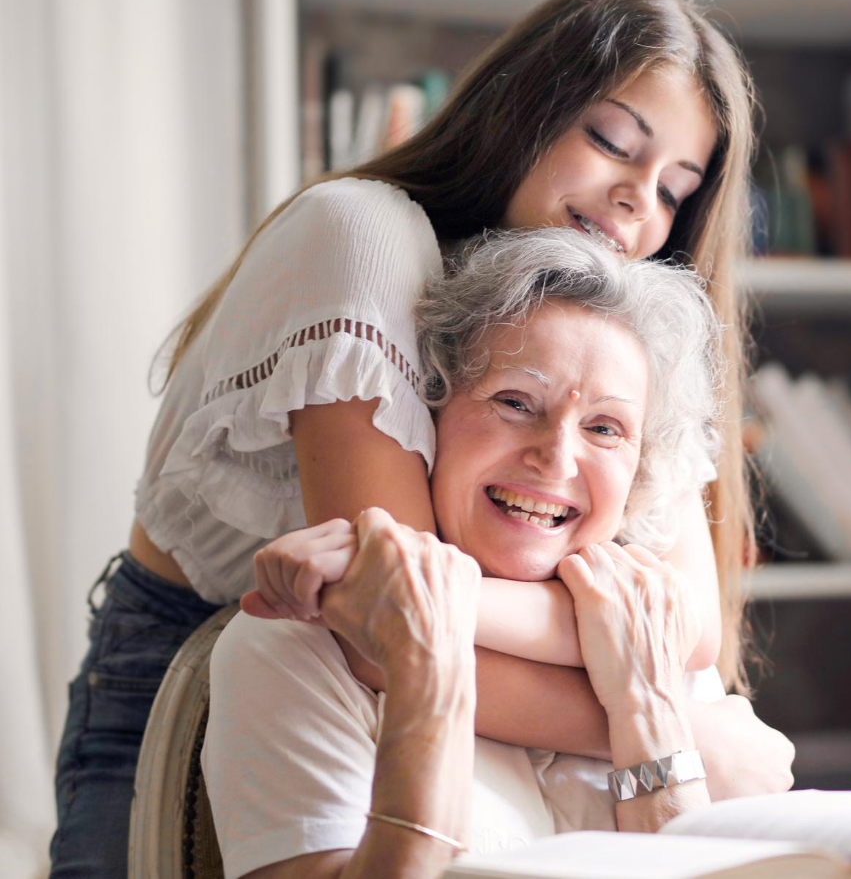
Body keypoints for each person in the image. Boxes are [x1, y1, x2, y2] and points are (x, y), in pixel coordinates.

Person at [49, 0, 772, 876]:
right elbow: (392, 636)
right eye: (610, 142)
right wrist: (670, 716)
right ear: (521, 108)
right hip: (205, 675)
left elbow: (689, 625)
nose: (637, 203)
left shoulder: (616, 319)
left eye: (675, 189)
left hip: (443, 695)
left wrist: (645, 684)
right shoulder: (364, 237)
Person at [203, 229, 792, 879]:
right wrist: (424, 656)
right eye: (515, 403)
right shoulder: (296, 653)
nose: (557, 457)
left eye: (605, 428)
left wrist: (649, 709)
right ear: (428, 414)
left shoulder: (665, 665)